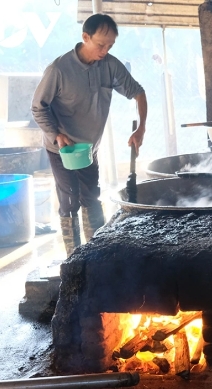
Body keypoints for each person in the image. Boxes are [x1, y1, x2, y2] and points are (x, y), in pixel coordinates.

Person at [31, 13, 147, 257]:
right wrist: (55, 134)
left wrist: (141, 128)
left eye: (110, 45)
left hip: (88, 148)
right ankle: (74, 258)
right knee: (70, 199)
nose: (105, 51)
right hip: (62, 148)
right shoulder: (59, 70)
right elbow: (38, 107)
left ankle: (98, 253)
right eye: (100, 45)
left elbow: (138, 93)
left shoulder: (110, 65)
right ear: (85, 37)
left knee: (92, 196)